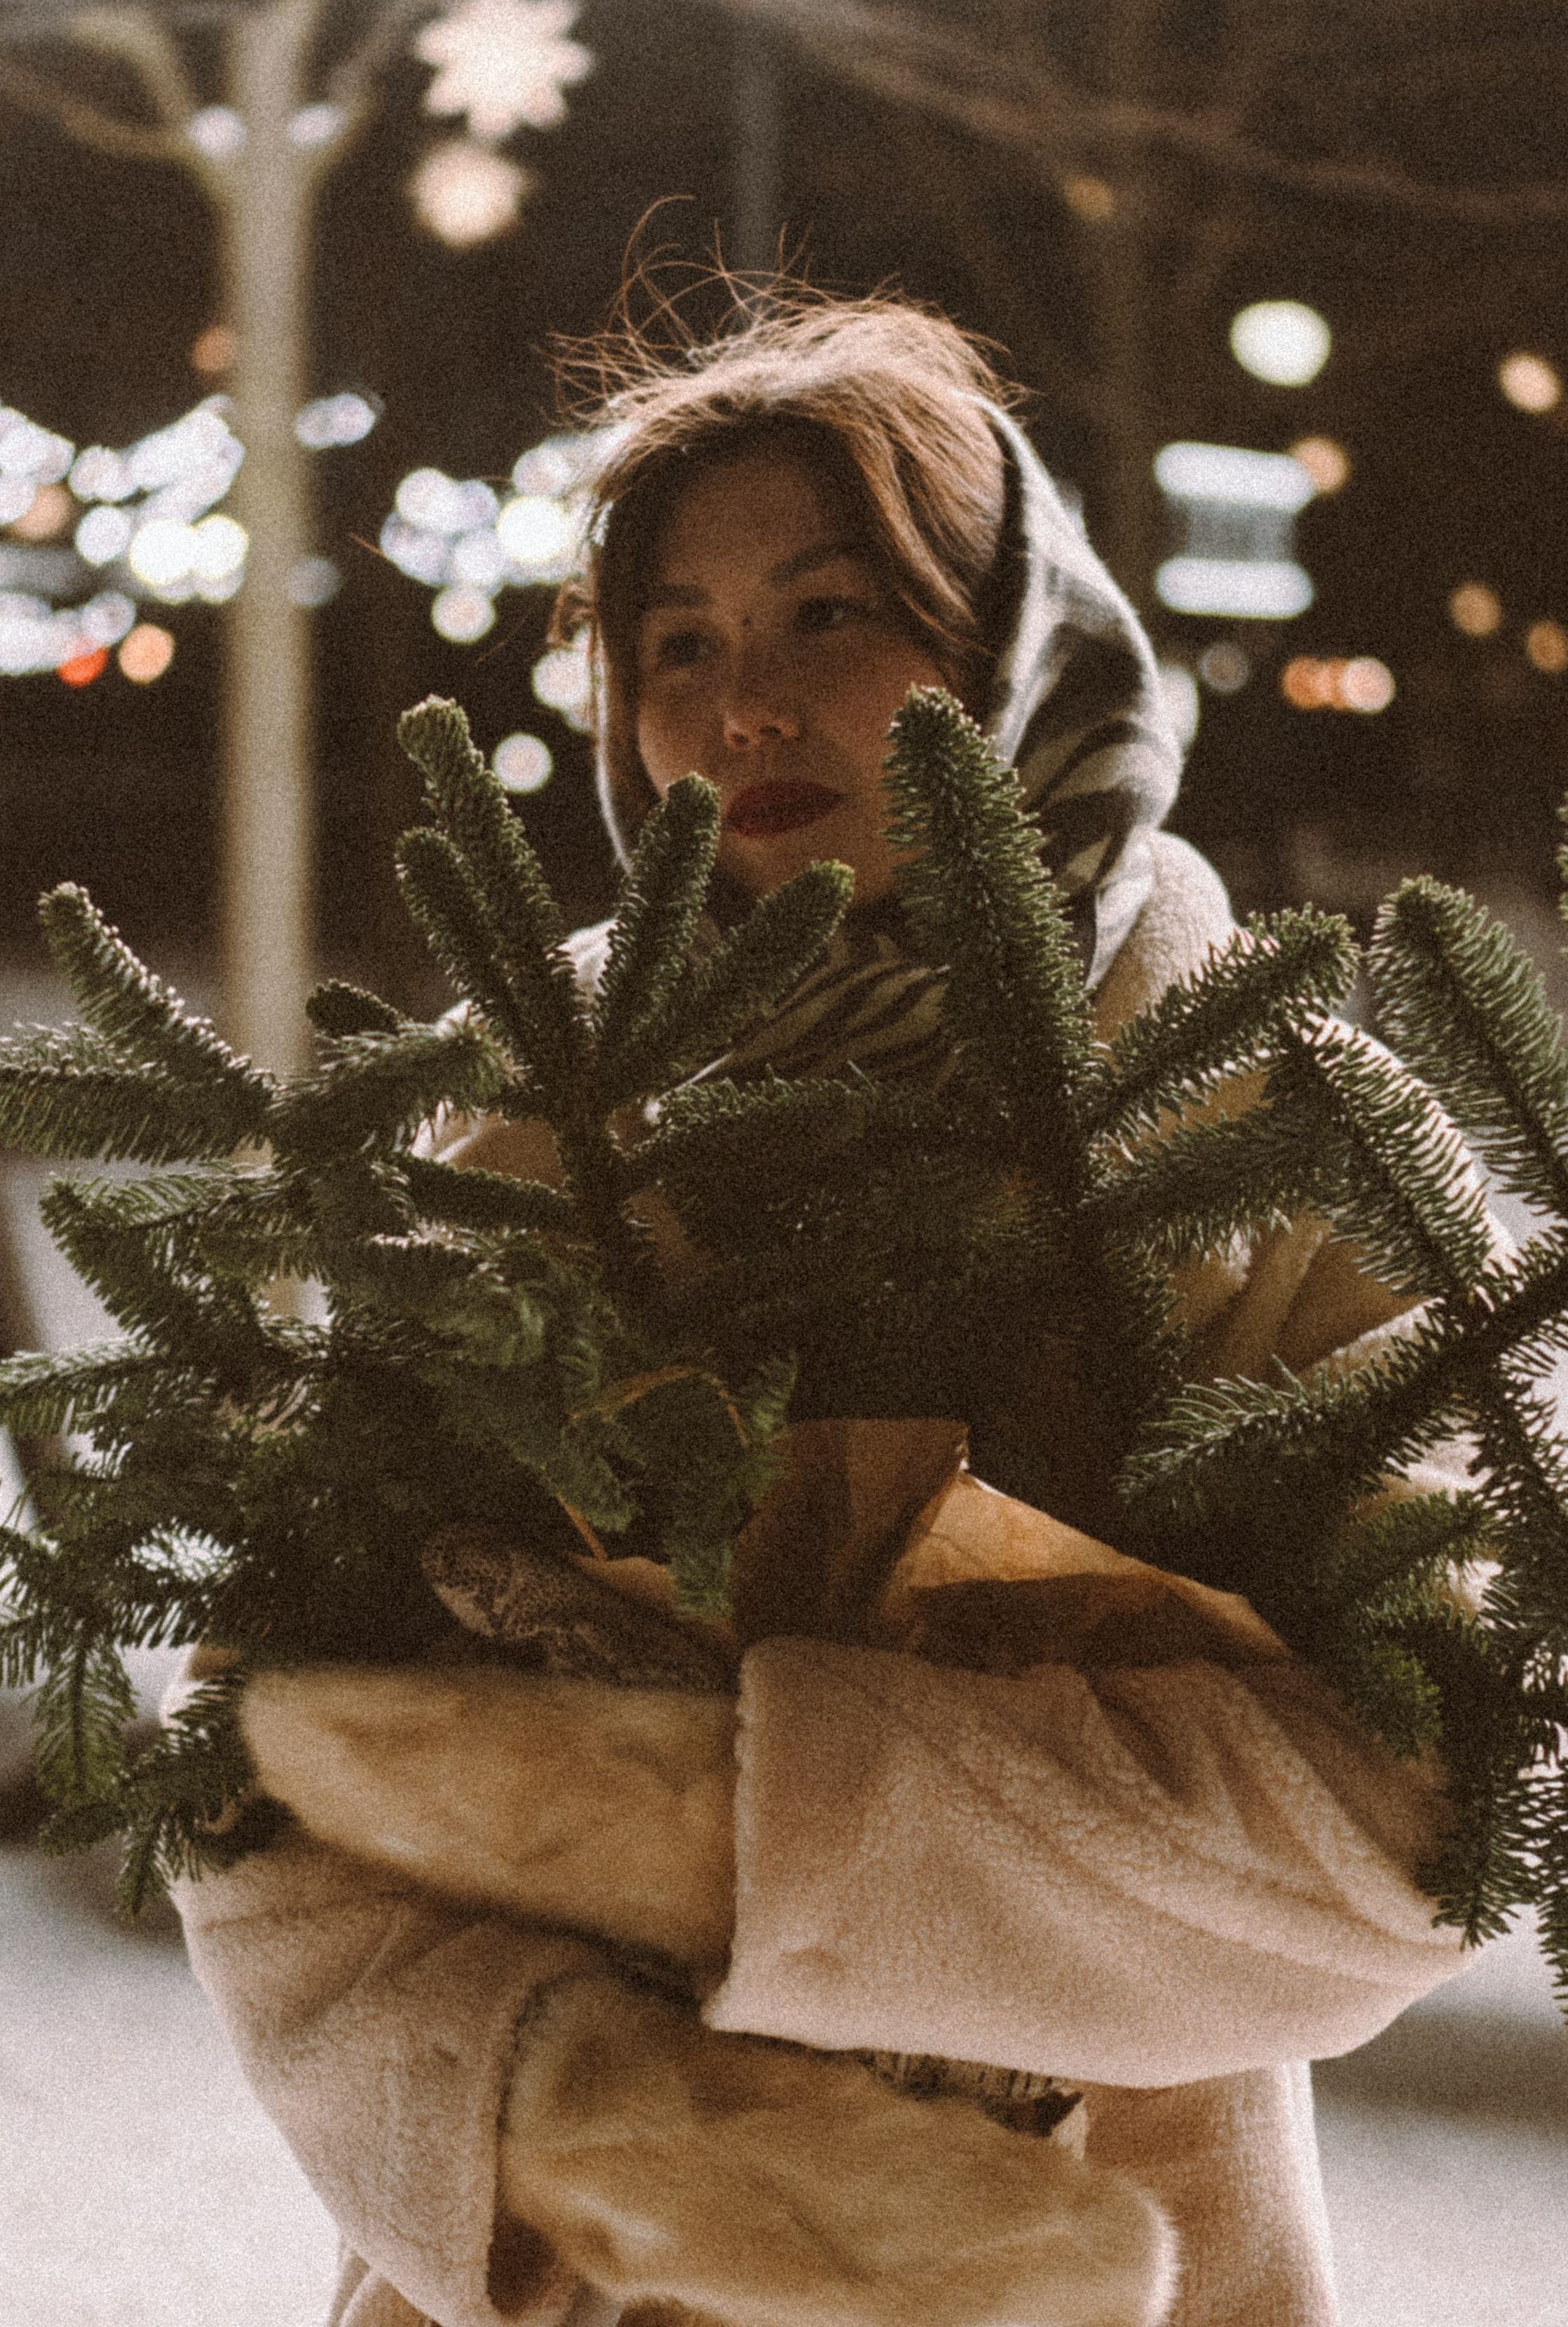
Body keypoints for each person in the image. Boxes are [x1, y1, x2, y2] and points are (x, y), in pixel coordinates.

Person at [169, 290, 1475, 2327]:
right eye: (675, 644)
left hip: (1101, 2261)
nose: (739, 708)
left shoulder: (1275, 1121)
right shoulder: (525, 1106)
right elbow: (269, 1756)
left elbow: (1420, 1807)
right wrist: (598, 2119)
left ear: (1016, 643)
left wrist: (739, 1830)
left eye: (828, 617)